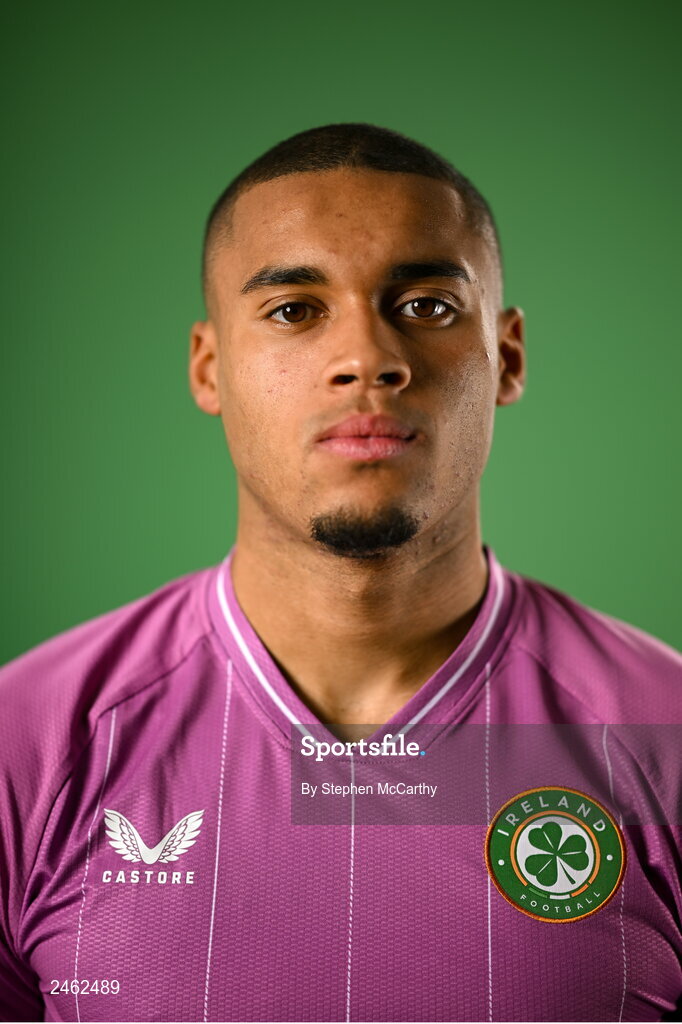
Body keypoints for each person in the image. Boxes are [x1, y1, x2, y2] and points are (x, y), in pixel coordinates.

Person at [0, 123, 679, 1024]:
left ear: (506, 355)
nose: (368, 358)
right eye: (293, 310)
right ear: (210, 367)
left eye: (429, 304)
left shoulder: (663, 738)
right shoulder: (29, 743)